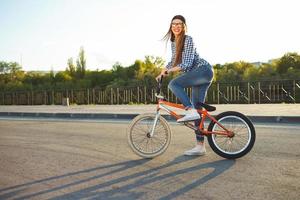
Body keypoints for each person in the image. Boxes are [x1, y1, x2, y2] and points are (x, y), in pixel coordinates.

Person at [156, 15, 214, 156]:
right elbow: (174, 61)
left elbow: (186, 63)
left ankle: (189, 109)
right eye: (173, 24)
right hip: (198, 75)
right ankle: (200, 146)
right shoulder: (174, 42)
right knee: (198, 110)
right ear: (171, 27)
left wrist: (169, 72)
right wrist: (163, 72)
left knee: (174, 84)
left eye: (179, 24)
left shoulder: (188, 39)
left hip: (203, 71)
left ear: (183, 27)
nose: (176, 26)